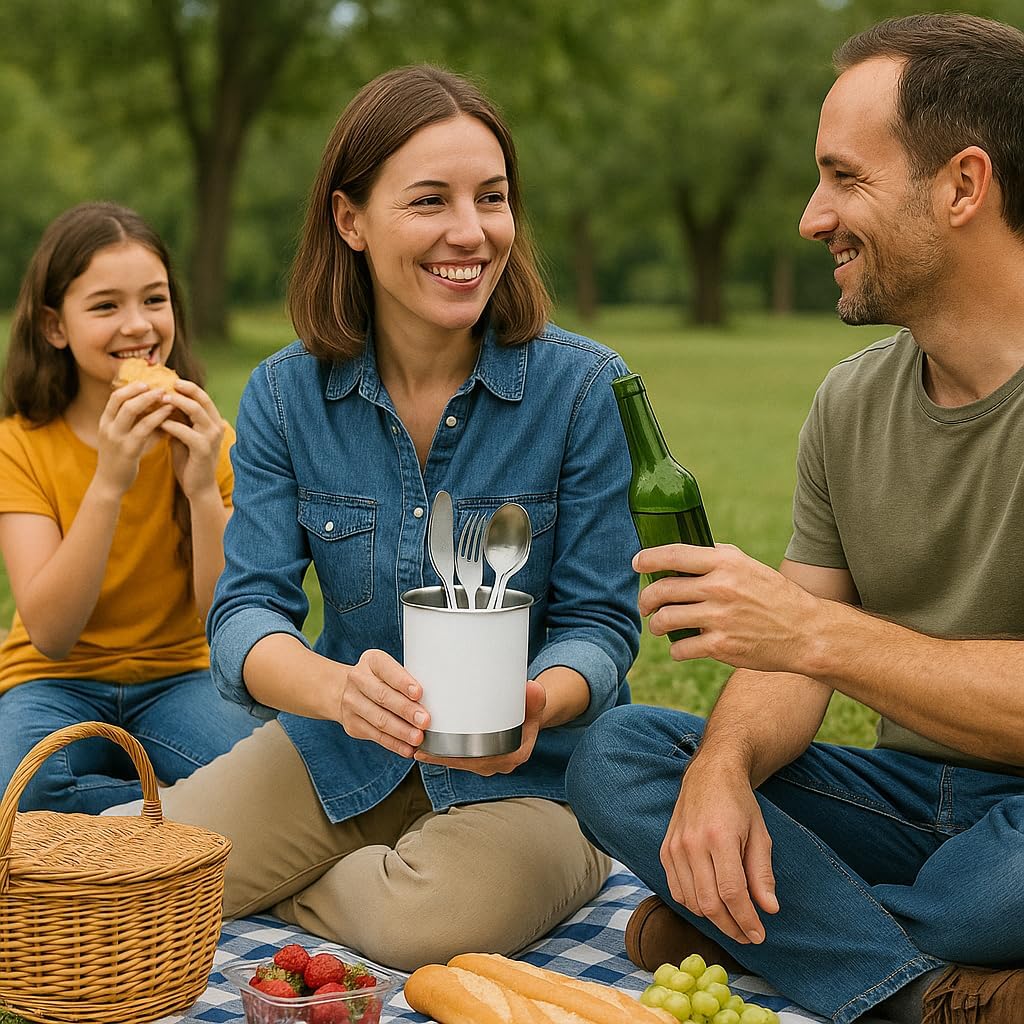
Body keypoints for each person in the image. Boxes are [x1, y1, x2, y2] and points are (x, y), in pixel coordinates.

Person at [566, 13, 1024, 1024]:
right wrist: (723, 769)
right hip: (902, 804)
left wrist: (811, 632)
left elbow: (806, 636)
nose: (812, 217)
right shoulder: (851, 402)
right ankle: (935, 989)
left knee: (998, 890)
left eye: (846, 177)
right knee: (621, 756)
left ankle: (771, 934)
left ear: (962, 186)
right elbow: (785, 662)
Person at [155, 64, 641, 972]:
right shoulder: (285, 395)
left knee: (428, 928)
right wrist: (336, 693)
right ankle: (343, 873)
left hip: (530, 782)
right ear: (351, 220)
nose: (471, 232)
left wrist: (538, 700)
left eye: (491, 198)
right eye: (430, 201)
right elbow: (244, 616)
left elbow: (602, 627)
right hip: (339, 750)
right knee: (147, 869)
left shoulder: (584, 390)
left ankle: (308, 887)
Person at [0, 202, 259, 814]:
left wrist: (199, 489)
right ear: (54, 326)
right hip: (52, 682)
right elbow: (52, 633)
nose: (137, 326)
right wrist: (109, 481)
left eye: (154, 299)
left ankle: (143, 820)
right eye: (105, 306)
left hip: (181, 677)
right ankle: (173, 810)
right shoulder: (21, 445)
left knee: (262, 777)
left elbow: (222, 616)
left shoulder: (209, 437)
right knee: (23, 792)